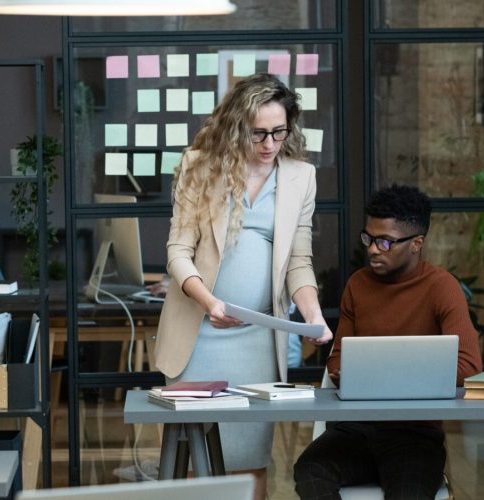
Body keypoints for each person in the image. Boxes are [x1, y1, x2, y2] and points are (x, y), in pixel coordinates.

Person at [154, 73, 333, 499]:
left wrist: (312, 316)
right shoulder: (200, 167)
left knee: (251, 463)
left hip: (258, 339)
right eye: (258, 134)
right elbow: (178, 252)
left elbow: (299, 263)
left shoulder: (300, 176)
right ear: (237, 127)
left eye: (278, 132)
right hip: (199, 334)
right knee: (196, 465)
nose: (269, 144)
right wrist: (210, 302)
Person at [294, 185, 483, 499]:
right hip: (355, 429)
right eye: (368, 238)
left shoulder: (442, 287)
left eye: (385, 242)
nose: (372, 250)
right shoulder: (357, 285)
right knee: (310, 471)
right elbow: (337, 361)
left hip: (415, 435)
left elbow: (469, 366)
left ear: (416, 244)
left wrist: (380, 376)